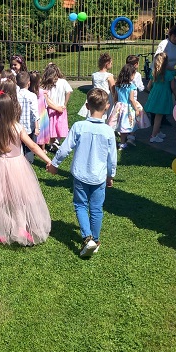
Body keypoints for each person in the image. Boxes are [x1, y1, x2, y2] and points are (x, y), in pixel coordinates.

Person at [49, 88, 117, 258]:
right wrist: (111, 175)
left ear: (87, 106)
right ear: (107, 106)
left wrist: (55, 163)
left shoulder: (79, 126)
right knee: (96, 209)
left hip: (80, 175)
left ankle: (88, 239)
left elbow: (64, 149)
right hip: (99, 177)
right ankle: (95, 239)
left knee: (80, 205)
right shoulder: (109, 131)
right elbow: (112, 158)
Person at [0, 92, 52, 246]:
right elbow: (32, 145)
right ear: (11, 110)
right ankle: (19, 227)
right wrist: (47, 160)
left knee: (1, 199)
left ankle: (4, 231)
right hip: (17, 166)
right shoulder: (17, 127)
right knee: (19, 198)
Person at [37, 63, 72, 152]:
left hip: (50, 108)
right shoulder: (63, 81)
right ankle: (56, 141)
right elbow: (68, 92)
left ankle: (53, 143)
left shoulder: (46, 83)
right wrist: (65, 103)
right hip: (61, 108)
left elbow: (46, 97)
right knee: (60, 126)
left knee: (52, 127)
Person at [110, 63, 143, 150]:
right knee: (131, 123)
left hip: (120, 106)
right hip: (128, 108)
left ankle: (123, 142)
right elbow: (131, 99)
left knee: (121, 125)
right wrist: (136, 109)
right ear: (130, 75)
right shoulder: (131, 86)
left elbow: (115, 98)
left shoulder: (118, 85)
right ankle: (127, 140)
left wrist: (116, 106)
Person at [145, 53, 176, 143]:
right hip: (164, 96)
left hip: (154, 95)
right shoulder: (169, 74)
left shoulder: (154, 72)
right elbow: (173, 87)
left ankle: (157, 132)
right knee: (159, 116)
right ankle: (153, 136)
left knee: (157, 115)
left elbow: (148, 86)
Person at [78, 52, 115, 117]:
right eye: (111, 63)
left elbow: (93, 87)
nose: (112, 65)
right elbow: (113, 90)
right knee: (106, 115)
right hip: (105, 97)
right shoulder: (109, 76)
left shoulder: (94, 75)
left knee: (95, 111)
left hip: (95, 95)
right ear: (107, 64)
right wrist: (115, 99)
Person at [16, 71, 38, 163]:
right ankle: (28, 163)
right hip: (29, 126)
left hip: (18, 125)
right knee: (29, 146)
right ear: (29, 83)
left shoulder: (15, 95)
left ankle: (19, 161)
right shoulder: (32, 96)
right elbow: (35, 112)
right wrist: (37, 127)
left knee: (18, 145)